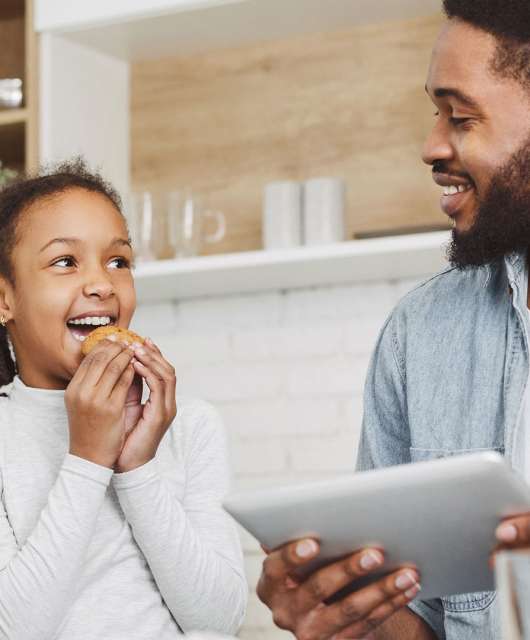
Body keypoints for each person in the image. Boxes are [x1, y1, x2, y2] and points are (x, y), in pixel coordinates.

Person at [256, 0, 530, 638]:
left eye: (459, 116)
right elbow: (419, 619)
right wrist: (347, 615)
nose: (432, 145)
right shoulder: (421, 331)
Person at [0, 159, 247, 639]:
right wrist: (89, 459)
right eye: (65, 262)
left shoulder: (189, 424)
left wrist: (137, 468)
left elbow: (219, 621)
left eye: (119, 261)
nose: (102, 284)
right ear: (5, 299)